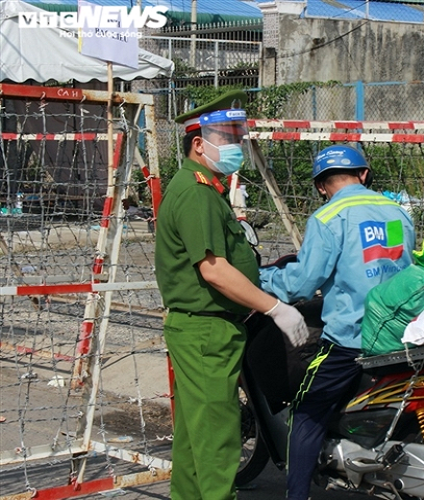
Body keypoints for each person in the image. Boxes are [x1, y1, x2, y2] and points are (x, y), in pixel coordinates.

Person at [154, 90, 309, 500]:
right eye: (226, 137)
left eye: (237, 136)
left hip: (205, 330)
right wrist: (276, 308)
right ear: (198, 144)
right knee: (219, 442)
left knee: (194, 440)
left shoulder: (204, 187)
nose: (235, 146)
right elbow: (214, 269)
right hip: (207, 331)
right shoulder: (195, 192)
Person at [259, 144, 416, 500]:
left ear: (320, 185)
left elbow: (301, 283)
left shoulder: (328, 217)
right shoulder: (398, 212)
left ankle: (296, 495)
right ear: (364, 174)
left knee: (306, 410)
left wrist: (261, 279)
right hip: (402, 331)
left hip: (353, 338)